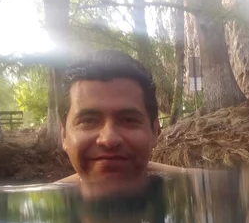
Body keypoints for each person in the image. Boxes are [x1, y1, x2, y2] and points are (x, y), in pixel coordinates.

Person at [56, 49, 187, 186]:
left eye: (128, 120)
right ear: (64, 135)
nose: (109, 139)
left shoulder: (197, 191)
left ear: (155, 131)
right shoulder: (42, 204)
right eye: (89, 121)